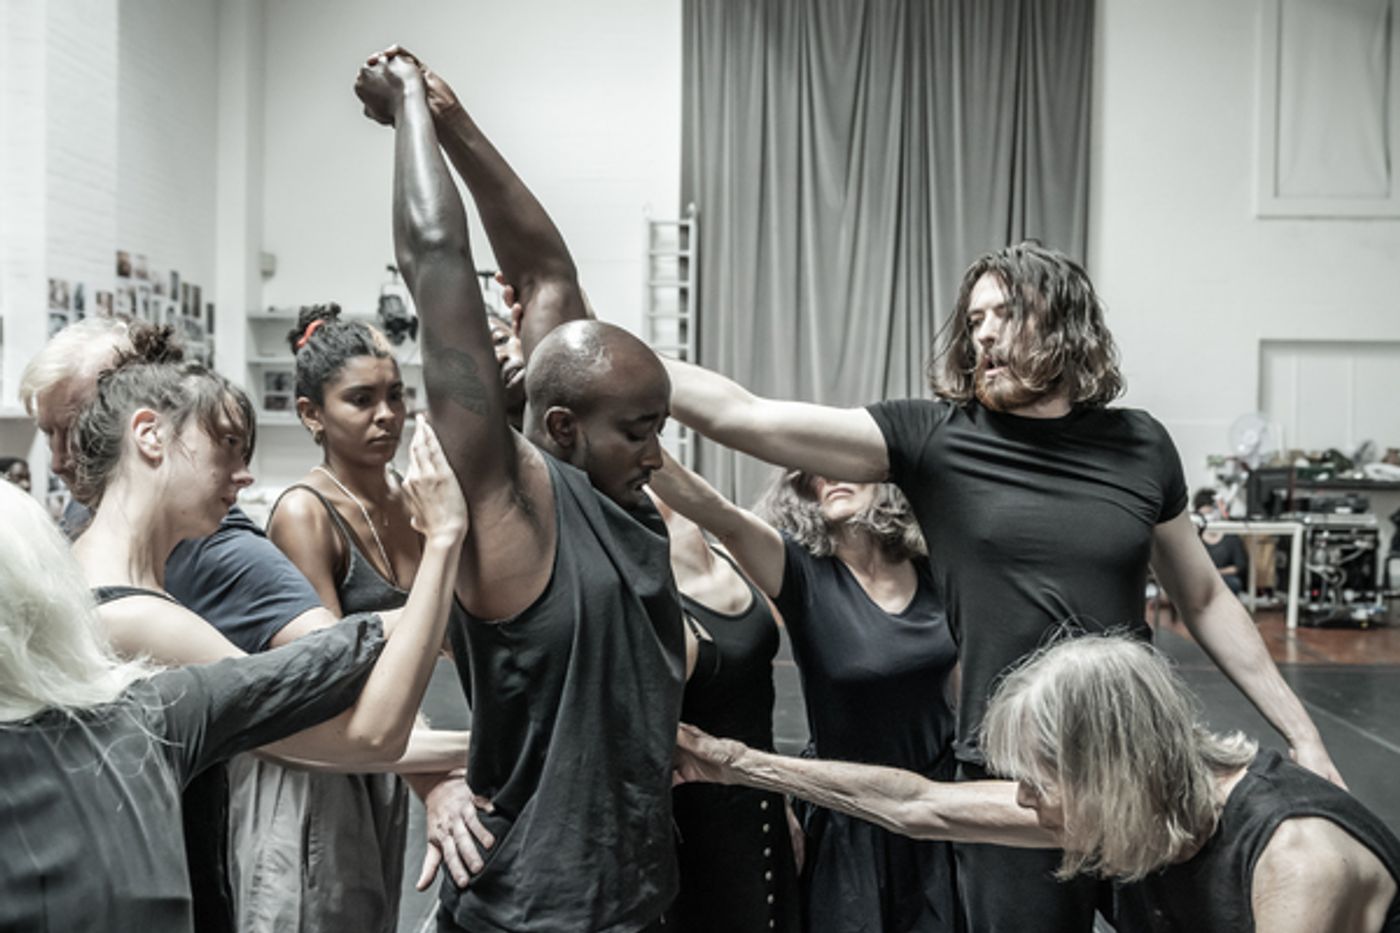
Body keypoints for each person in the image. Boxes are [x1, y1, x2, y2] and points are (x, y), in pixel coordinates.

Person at [658, 241, 1340, 932]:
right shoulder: (937, 439)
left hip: (1139, 759)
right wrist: (598, 348)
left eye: (1005, 312)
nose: (983, 331)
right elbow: (743, 414)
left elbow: (1204, 597)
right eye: (975, 317)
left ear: (1065, 319)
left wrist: (1304, 736)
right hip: (1015, 778)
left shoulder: (1143, 445)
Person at [355, 49, 684, 931]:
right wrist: (408, 110)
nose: (658, 455)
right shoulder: (511, 501)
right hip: (532, 909)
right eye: (643, 432)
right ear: (566, 425)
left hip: (637, 899)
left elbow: (546, 276)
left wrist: (454, 113)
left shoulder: (615, 494)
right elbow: (437, 260)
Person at [65, 339, 470, 925]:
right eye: (226, 445)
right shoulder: (134, 618)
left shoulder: (104, 582)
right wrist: (443, 538)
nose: (244, 472)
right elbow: (356, 739)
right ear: (150, 436)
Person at [674, 635, 1400, 933]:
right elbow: (916, 803)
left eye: (1037, 781)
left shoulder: (1297, 862)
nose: (1022, 800)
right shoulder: (1141, 801)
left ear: (1109, 768)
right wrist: (733, 760)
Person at [0, 482, 392, 933]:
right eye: (226, 442)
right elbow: (315, 683)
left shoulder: (150, 709)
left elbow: (309, 675)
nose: (242, 474)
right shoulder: (146, 713)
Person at [650, 454, 958, 932]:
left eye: (840, 461)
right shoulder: (800, 571)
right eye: (811, 474)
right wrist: (639, 417)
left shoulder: (934, 568)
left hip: (942, 808)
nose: (827, 475)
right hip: (851, 811)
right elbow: (718, 513)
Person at [207, 302, 426, 932]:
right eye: (361, 400)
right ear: (312, 415)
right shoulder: (305, 512)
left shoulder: (412, 497)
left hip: (387, 753)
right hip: (320, 768)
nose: (386, 416)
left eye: (395, 396)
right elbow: (332, 676)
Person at [657, 496, 802, 932]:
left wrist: (783, 806)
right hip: (694, 829)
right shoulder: (635, 579)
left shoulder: (726, 550)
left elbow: (752, 700)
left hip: (763, 800)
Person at [1195, 487, 1249, 596]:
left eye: (1210, 513)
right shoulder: (1195, 536)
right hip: (1201, 577)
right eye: (1204, 515)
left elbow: (1239, 566)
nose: (1208, 519)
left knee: (1233, 583)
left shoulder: (1230, 536)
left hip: (1224, 577)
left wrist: (1217, 573)